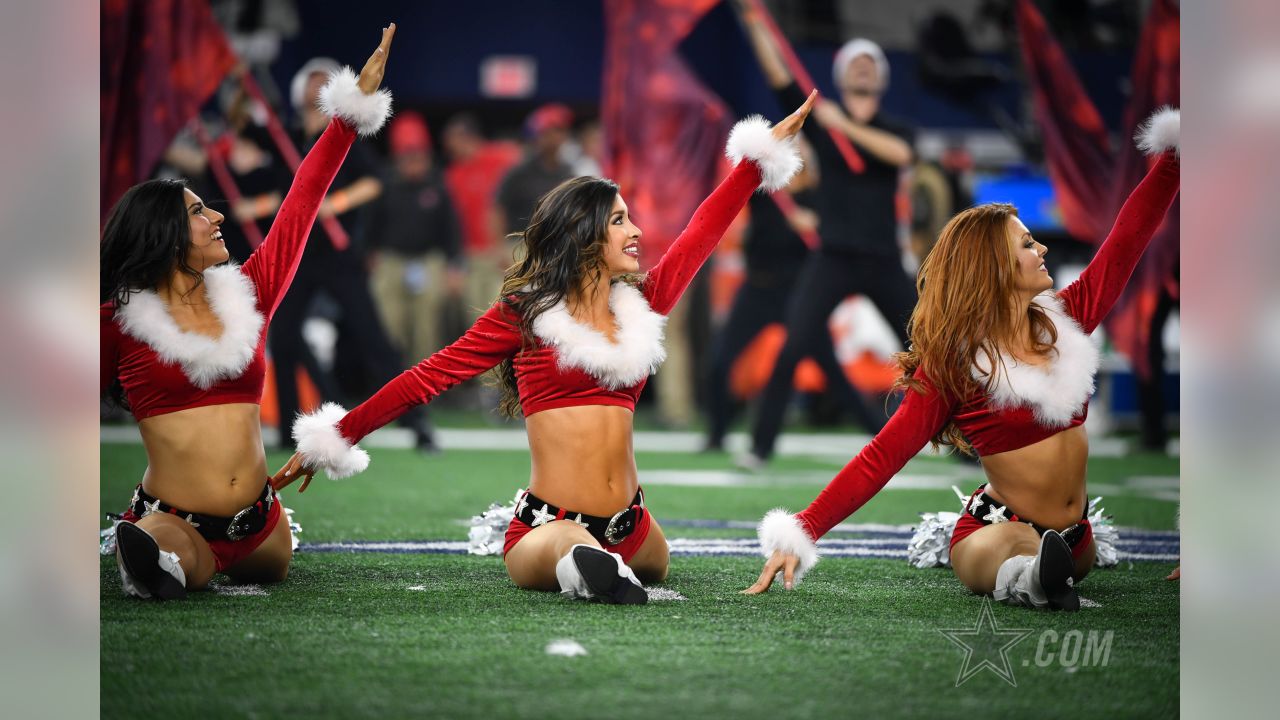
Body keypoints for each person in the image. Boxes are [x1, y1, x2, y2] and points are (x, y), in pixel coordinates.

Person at [272, 93, 819, 604]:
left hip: (633, 524)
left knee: (655, 564)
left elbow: (701, 232)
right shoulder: (527, 313)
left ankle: (597, 565)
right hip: (550, 523)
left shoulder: (641, 304)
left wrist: (755, 163)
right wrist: (338, 436)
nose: (637, 231)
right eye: (620, 220)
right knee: (571, 544)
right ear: (584, 235)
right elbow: (428, 377)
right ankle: (578, 563)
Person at [744, 109, 1180, 611]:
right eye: (1026, 243)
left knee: (1056, 553)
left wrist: (1173, 159)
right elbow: (882, 456)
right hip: (1000, 529)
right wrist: (803, 528)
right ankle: (1031, 579)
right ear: (995, 265)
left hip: (1078, 538)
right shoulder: (955, 365)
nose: (1040, 248)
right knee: (1009, 551)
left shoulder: (1069, 316)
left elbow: (1126, 242)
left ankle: (1047, 573)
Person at [100, 26, 397, 599]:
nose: (215, 216)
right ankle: (152, 556)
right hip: (177, 519)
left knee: (240, 562)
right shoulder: (116, 322)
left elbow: (302, 200)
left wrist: (348, 113)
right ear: (162, 234)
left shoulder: (249, 291)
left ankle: (164, 562)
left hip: (264, 527)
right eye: (196, 211)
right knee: (170, 566)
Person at [732, 2, 919, 467]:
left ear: (881, 79)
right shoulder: (824, 120)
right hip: (833, 255)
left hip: (882, 257)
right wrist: (756, 21)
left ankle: (969, 442)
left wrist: (846, 126)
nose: (863, 67)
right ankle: (760, 446)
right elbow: (780, 77)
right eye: (855, 62)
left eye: (870, 63)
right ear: (840, 76)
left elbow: (901, 155)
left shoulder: (889, 127)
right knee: (795, 341)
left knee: (928, 347)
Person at [269, 52, 437, 451]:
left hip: (340, 256)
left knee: (372, 338)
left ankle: (417, 425)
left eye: (324, 79)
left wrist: (336, 202)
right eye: (311, 79)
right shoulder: (283, 139)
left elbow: (375, 182)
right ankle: (287, 433)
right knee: (286, 338)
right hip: (296, 254)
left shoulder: (342, 132)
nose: (317, 85)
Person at [704, 144, 888, 451]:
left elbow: (839, 236)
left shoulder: (821, 199)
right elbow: (746, 172)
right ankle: (716, 436)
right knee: (720, 361)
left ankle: (880, 434)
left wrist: (817, 225)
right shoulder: (767, 193)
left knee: (833, 372)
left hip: (799, 296)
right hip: (758, 289)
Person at [366, 111, 465, 365]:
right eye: (408, 157)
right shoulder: (384, 183)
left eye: (419, 157)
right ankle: (389, 384)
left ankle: (423, 387)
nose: (415, 163)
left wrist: (453, 265)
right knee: (390, 324)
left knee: (427, 327)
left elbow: (451, 228)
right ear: (398, 157)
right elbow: (368, 224)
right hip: (391, 261)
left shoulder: (437, 185)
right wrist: (368, 253)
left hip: (428, 261)